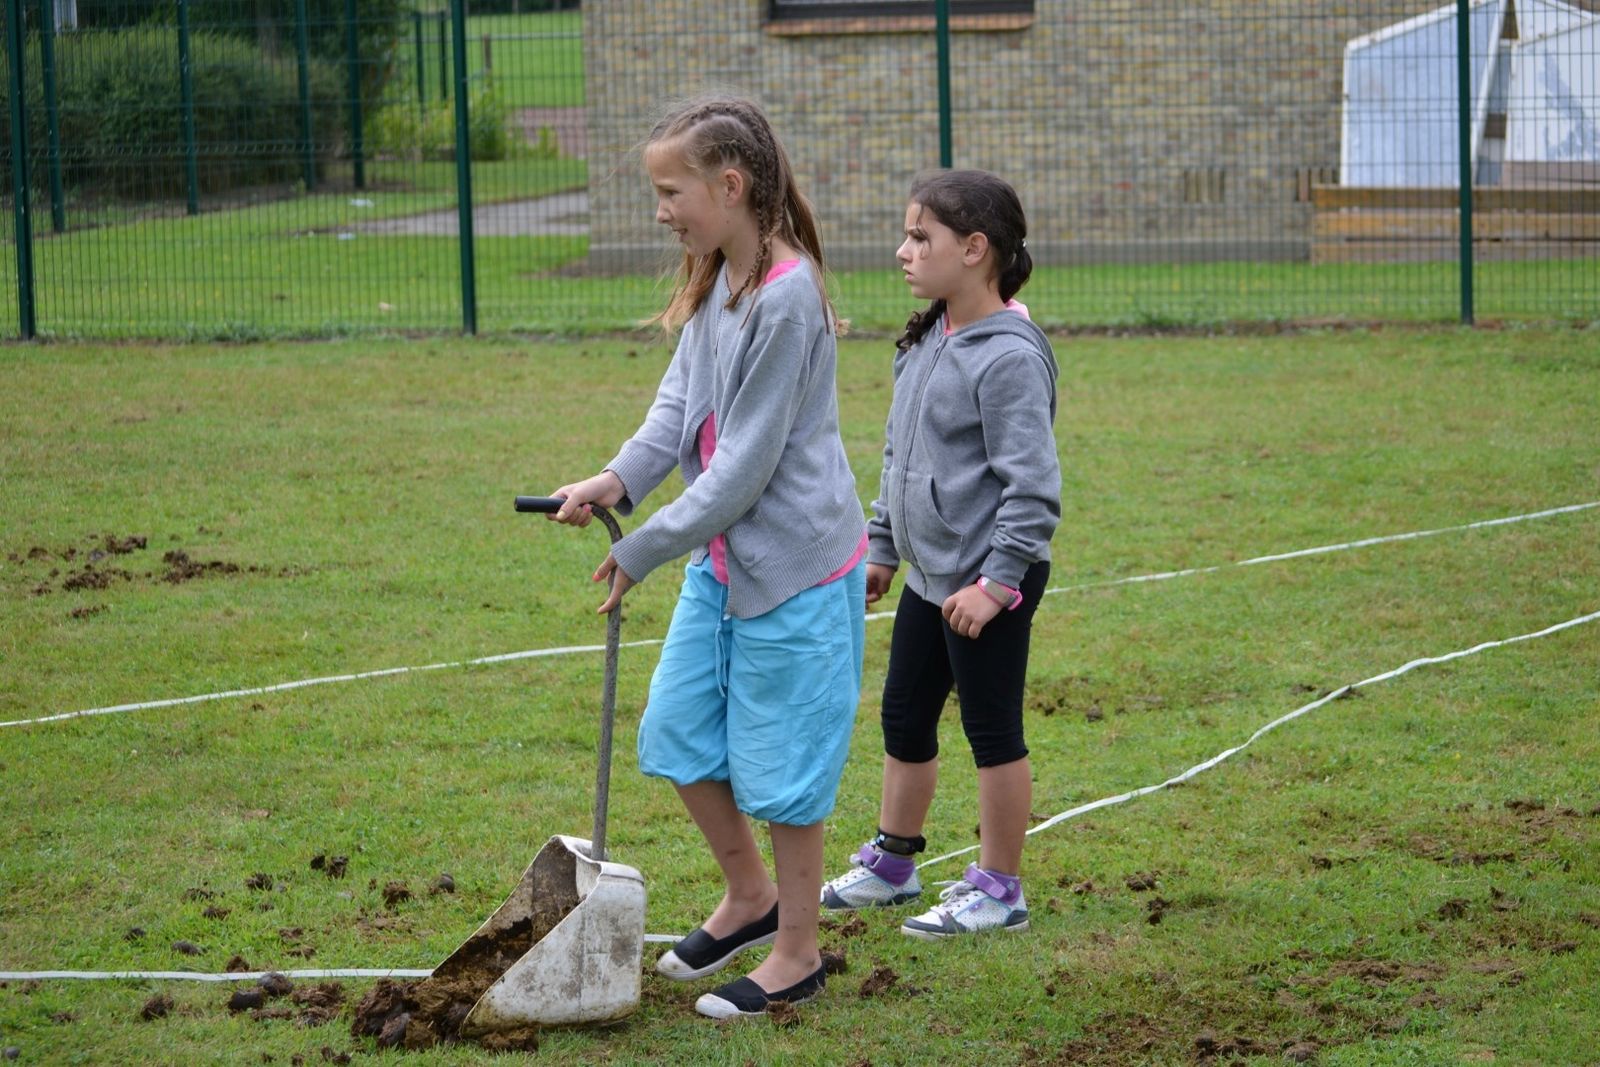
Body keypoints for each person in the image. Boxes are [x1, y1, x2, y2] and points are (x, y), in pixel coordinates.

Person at [546, 94, 867, 1019]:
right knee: (679, 730)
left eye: (669, 191)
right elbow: (675, 410)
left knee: (786, 771)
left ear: (730, 187)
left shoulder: (788, 297)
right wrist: (616, 480)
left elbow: (743, 471)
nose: (661, 212)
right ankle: (750, 896)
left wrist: (643, 547)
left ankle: (797, 951)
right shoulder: (717, 277)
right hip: (724, 567)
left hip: (796, 572)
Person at [820, 169, 1060, 941]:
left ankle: (999, 889)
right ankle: (894, 863)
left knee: (991, 730)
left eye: (920, 237)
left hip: (991, 580)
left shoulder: (1010, 357)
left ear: (975, 249)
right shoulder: (929, 335)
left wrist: (996, 583)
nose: (903, 251)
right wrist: (883, 547)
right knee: (904, 714)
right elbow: (901, 456)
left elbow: (1033, 488)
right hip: (929, 575)